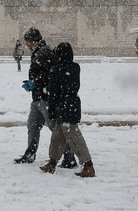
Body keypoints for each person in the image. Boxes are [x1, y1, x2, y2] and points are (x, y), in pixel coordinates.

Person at [14, 27, 75, 167]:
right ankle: (30, 153)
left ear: (34, 41)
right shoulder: (39, 52)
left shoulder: (44, 53)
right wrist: (33, 83)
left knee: (55, 128)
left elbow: (49, 75)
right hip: (38, 98)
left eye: (28, 41)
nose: (26, 44)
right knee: (33, 125)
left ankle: (69, 157)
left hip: (45, 97)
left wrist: (34, 83)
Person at [40, 42, 96, 178]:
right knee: (58, 137)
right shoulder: (75, 67)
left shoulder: (56, 70)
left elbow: (53, 92)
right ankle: (52, 163)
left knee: (74, 137)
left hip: (62, 106)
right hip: (73, 104)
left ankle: (88, 165)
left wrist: (51, 108)